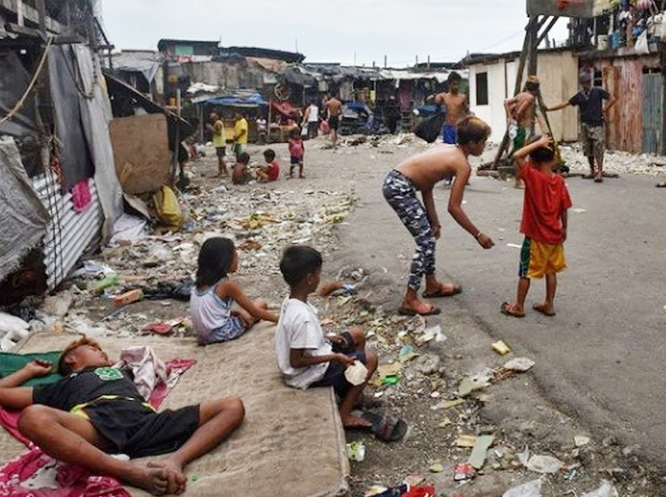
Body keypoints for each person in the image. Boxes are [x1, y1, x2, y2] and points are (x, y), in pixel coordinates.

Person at [0, 339, 244, 496]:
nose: (102, 351)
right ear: (71, 359)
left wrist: (175, 461)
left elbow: (151, 366)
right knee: (32, 417)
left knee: (232, 405)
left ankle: (175, 461)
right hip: (95, 424)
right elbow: (0, 393)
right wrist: (27, 371)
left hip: (145, 420)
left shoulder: (121, 370)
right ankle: (130, 472)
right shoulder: (62, 385)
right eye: (93, 349)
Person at [383, 117, 495, 316]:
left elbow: (427, 185)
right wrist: (478, 235)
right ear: (472, 144)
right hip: (399, 188)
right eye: (483, 142)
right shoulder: (462, 165)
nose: (484, 147)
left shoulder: (448, 148)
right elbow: (454, 207)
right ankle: (410, 299)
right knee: (425, 241)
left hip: (397, 182)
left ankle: (432, 283)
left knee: (429, 235)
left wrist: (434, 221)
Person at [275, 246, 379, 430]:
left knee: (357, 335)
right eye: (318, 273)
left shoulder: (292, 302)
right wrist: (335, 357)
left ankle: (352, 390)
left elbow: (302, 339)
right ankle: (345, 413)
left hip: (315, 354)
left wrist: (328, 338)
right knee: (371, 359)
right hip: (308, 373)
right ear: (309, 279)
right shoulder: (302, 317)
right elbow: (296, 361)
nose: (320, 278)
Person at [501, 135, 572, 317]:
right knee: (551, 270)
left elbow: (517, 156)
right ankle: (549, 303)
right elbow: (564, 207)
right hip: (554, 236)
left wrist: (537, 144)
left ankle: (519, 306)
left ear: (532, 160)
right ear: (554, 158)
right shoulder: (559, 180)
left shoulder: (533, 177)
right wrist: (564, 228)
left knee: (525, 272)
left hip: (535, 236)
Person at [190, 237, 278, 345]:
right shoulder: (226, 285)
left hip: (202, 337)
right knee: (261, 304)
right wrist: (279, 320)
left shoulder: (198, 283)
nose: (237, 259)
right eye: (235, 255)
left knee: (243, 312)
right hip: (220, 334)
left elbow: (211, 311)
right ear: (225, 260)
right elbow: (254, 311)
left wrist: (235, 312)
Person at [547, 72, 616, 183]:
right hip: (585, 124)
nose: (586, 84)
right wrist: (550, 109)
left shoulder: (597, 91)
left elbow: (612, 98)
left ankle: (599, 172)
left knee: (598, 148)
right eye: (584, 82)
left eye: (588, 82)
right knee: (588, 148)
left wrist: (605, 109)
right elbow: (565, 104)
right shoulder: (579, 96)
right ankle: (592, 171)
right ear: (581, 83)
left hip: (597, 123)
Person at [504, 76, 547, 188]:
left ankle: (520, 179)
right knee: (521, 155)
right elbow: (520, 112)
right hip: (523, 129)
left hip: (519, 128)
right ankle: (518, 181)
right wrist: (517, 121)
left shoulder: (521, 95)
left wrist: (510, 118)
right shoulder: (530, 98)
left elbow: (506, 102)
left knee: (519, 153)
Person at [433, 72, 469, 146]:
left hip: (459, 127)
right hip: (448, 127)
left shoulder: (462, 97)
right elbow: (435, 101)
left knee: (460, 148)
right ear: (449, 85)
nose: (456, 87)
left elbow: (467, 111)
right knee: (448, 149)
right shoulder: (444, 97)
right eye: (454, 84)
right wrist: (436, 96)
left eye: (458, 84)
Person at [210, 111, 227, 177]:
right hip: (219, 143)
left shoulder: (218, 123)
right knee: (220, 158)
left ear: (217, 116)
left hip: (220, 143)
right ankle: (220, 171)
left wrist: (211, 129)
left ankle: (225, 171)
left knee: (220, 158)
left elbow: (218, 133)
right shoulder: (218, 123)